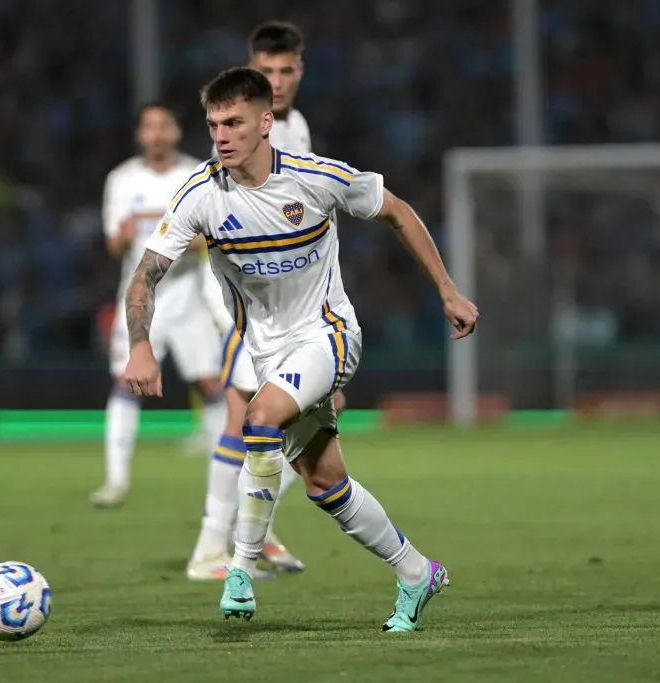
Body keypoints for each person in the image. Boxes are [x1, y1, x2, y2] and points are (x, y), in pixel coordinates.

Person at [121, 68, 478, 631]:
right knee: (323, 483)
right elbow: (144, 276)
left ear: (266, 122)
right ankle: (416, 572)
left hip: (329, 336)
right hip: (269, 354)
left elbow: (398, 212)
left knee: (257, 419)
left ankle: (238, 567)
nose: (221, 135)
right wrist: (140, 346)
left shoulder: (315, 178)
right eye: (214, 124)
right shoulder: (199, 195)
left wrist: (447, 289)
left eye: (234, 122)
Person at [187, 20, 345, 580]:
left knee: (271, 421)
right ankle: (212, 546)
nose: (276, 80)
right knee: (244, 417)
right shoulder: (238, 129)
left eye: (285, 70)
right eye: (267, 70)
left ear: (301, 69)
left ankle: (257, 536)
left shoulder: (295, 129)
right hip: (246, 302)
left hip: (290, 307)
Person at [89, 102, 226, 508]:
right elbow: (114, 244)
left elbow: (214, 239)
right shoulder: (122, 179)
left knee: (211, 384)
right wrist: (126, 233)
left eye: (164, 124)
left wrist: (175, 238)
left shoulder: (197, 176)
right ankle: (116, 480)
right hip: (139, 297)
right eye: (149, 126)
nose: (157, 133)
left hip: (188, 296)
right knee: (125, 382)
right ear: (140, 134)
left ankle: (223, 482)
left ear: (177, 131)